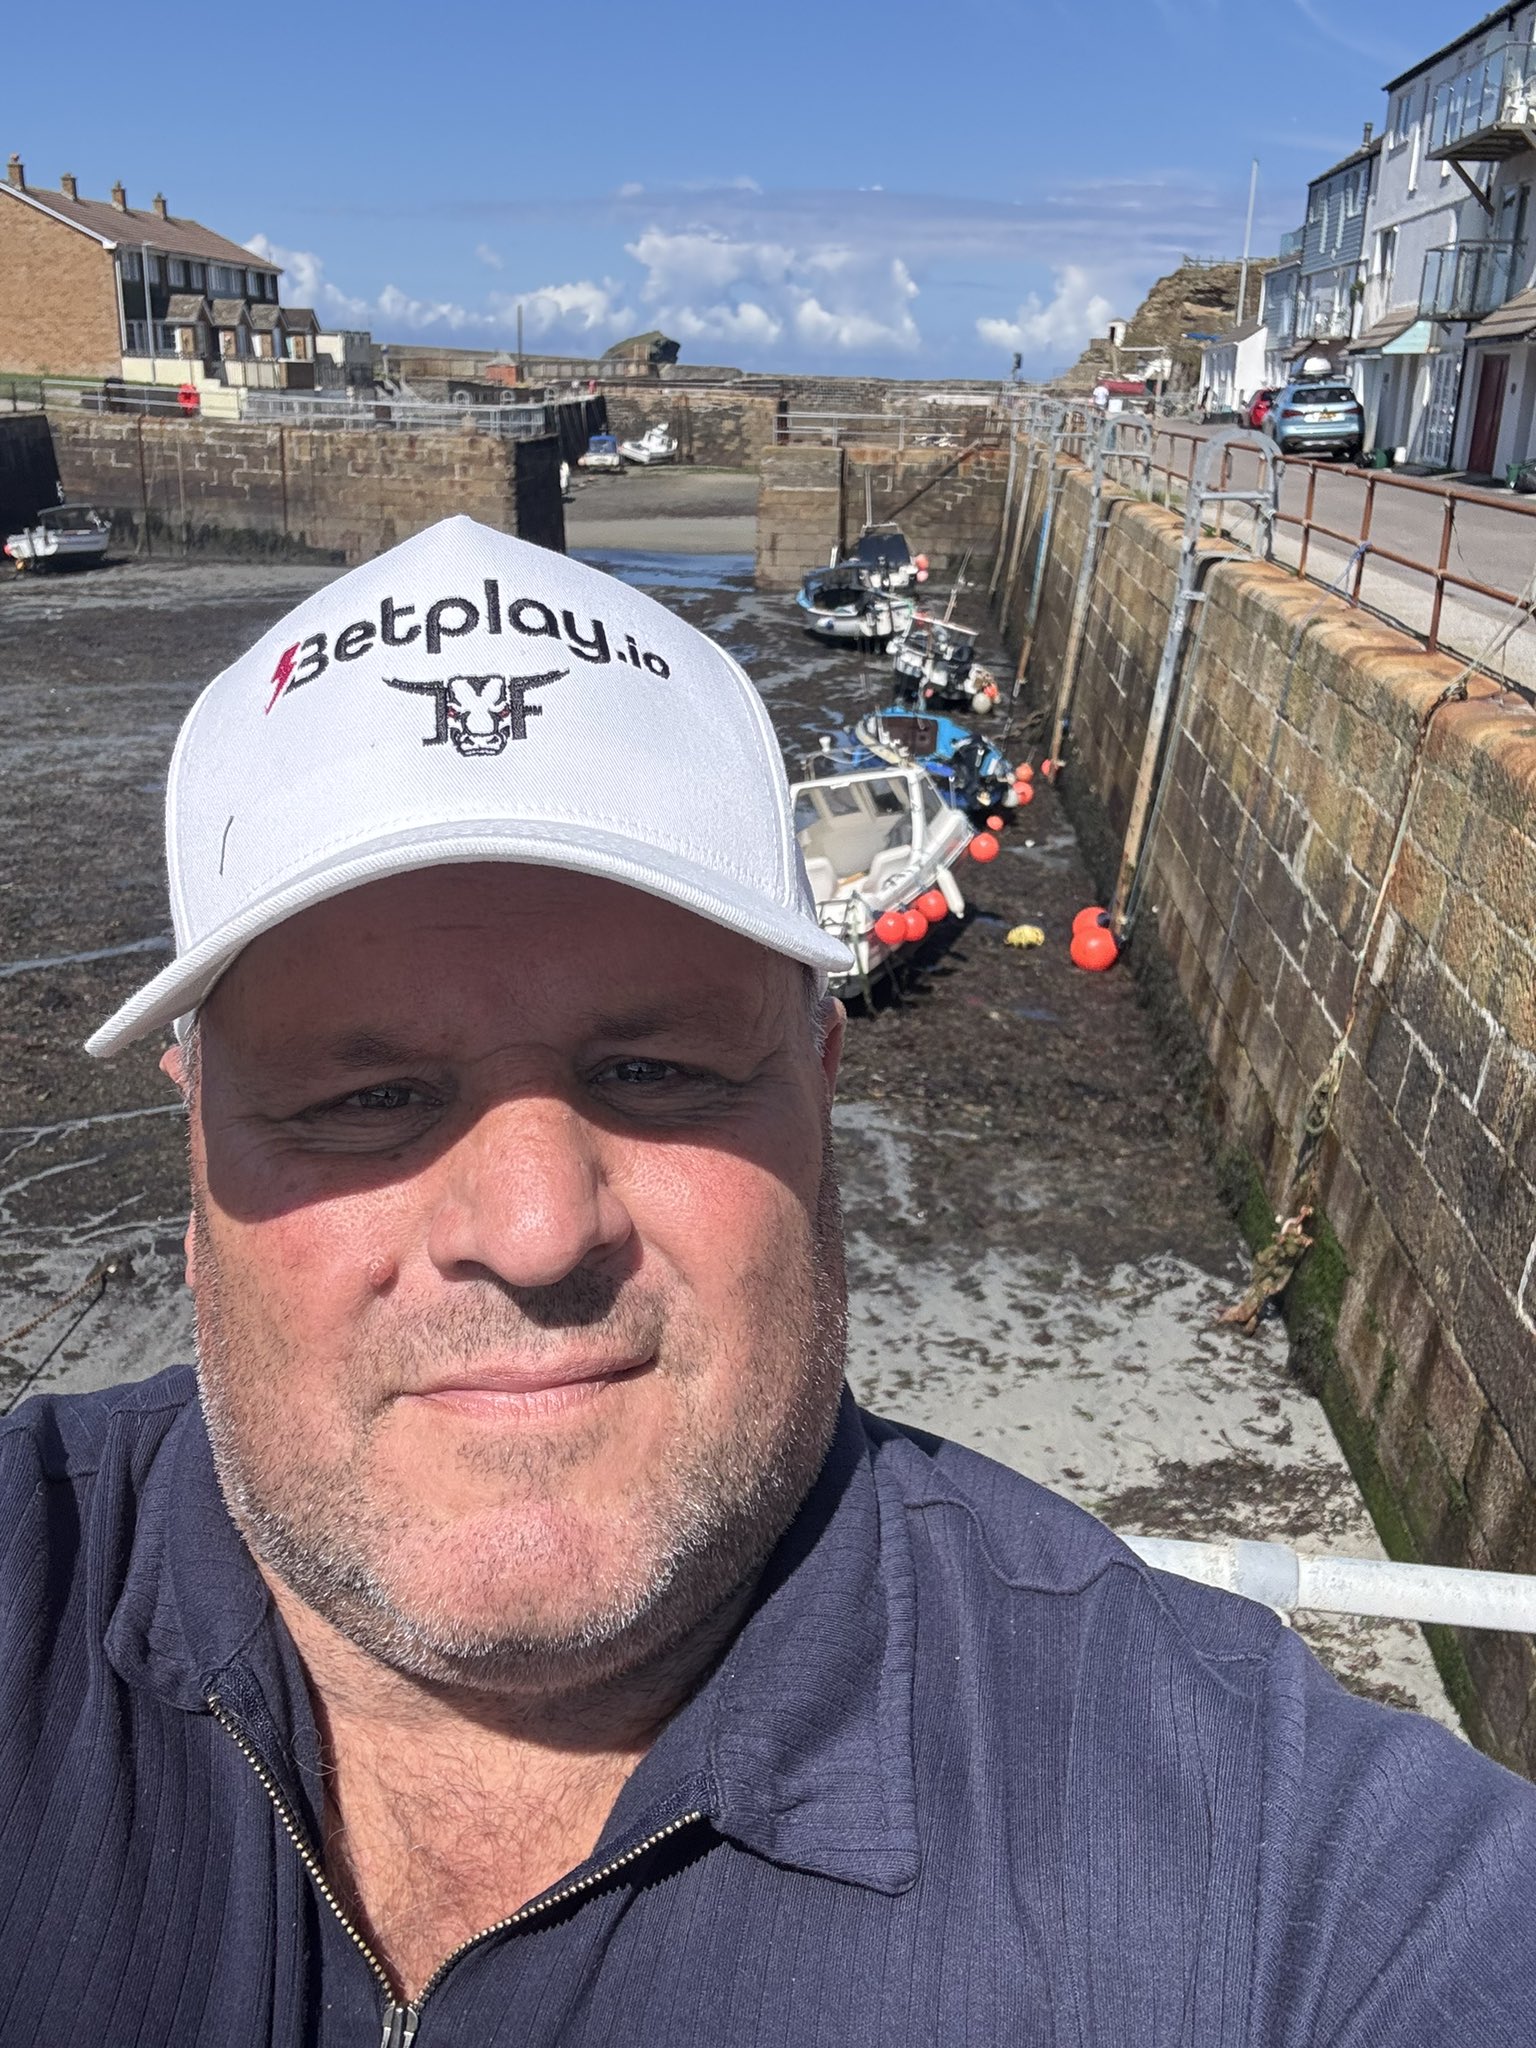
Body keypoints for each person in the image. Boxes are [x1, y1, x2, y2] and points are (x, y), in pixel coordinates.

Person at [2, 515, 1534, 2046]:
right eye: (366, 1097)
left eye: (654, 1069)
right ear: (196, 1133)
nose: (535, 1230)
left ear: (821, 1085)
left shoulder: (1265, 1879)